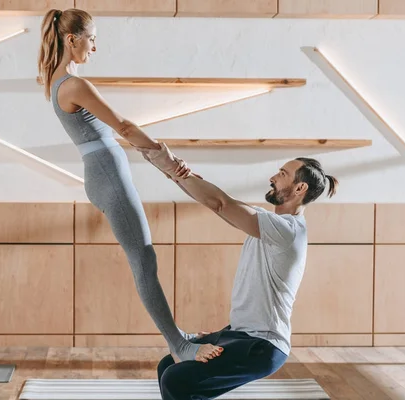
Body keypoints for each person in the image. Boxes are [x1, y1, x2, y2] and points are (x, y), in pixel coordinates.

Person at [37, 8, 223, 363]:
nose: (95, 48)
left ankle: (177, 336)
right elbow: (122, 126)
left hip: (103, 172)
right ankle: (179, 345)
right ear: (71, 39)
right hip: (108, 174)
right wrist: (165, 159)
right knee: (143, 259)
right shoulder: (75, 85)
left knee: (143, 257)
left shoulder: (57, 80)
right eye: (91, 39)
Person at [137, 143, 338, 400]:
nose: (273, 178)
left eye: (282, 174)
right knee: (170, 363)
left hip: (263, 345)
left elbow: (221, 204)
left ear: (300, 188)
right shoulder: (269, 224)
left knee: (177, 380)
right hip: (239, 333)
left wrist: (172, 168)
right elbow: (219, 204)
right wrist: (173, 172)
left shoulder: (287, 231)